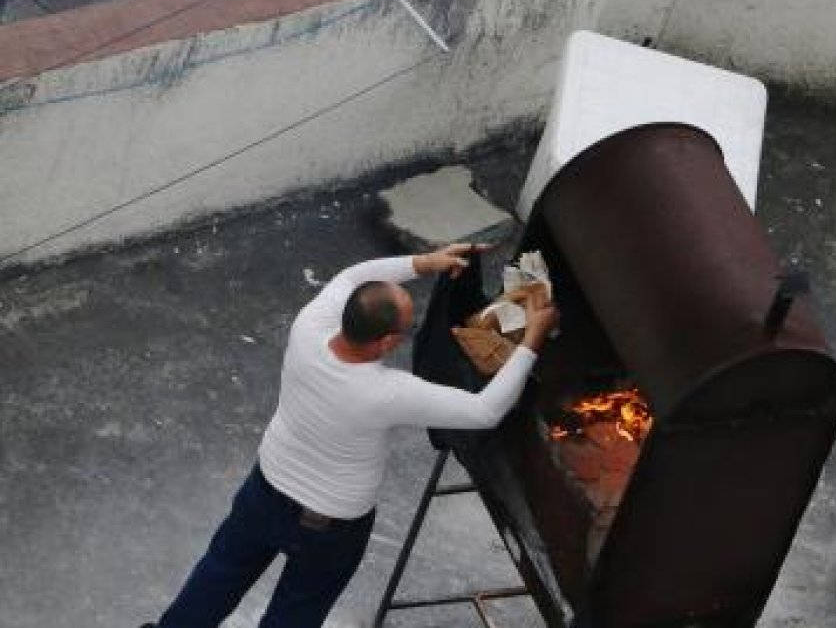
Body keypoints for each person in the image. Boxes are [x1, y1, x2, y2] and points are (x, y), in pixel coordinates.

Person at [143, 243, 559, 628]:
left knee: (219, 575)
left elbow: (351, 276)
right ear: (387, 341)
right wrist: (533, 339)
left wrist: (426, 263)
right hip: (330, 530)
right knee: (295, 611)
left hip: (264, 492)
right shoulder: (387, 392)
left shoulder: (310, 327)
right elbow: (485, 411)